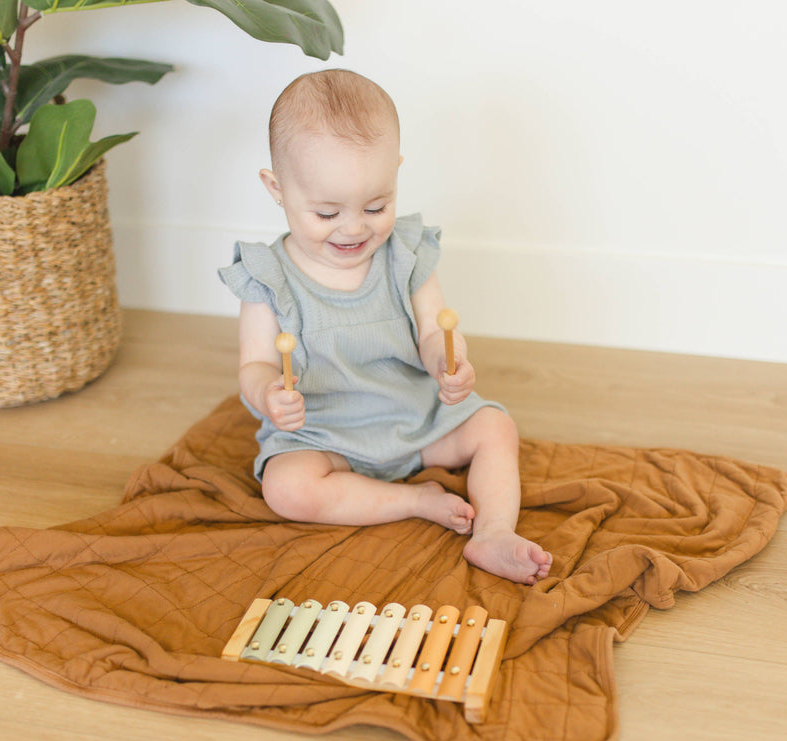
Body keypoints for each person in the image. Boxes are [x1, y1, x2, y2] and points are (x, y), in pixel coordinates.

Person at [219, 69, 552, 585]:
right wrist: (268, 393)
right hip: (325, 435)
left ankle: (493, 532)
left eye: (377, 206)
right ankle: (412, 501)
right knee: (286, 488)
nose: (355, 227)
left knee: (495, 426)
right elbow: (255, 364)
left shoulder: (405, 254)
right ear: (277, 189)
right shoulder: (267, 277)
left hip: (414, 422)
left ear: (395, 173)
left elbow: (432, 331)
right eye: (327, 212)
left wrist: (450, 361)